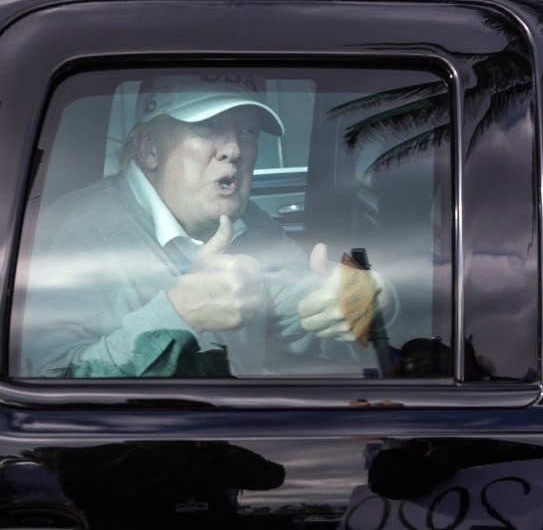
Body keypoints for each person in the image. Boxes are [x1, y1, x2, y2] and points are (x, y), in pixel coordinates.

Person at [22, 74, 392, 377]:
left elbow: (320, 334)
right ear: (149, 147)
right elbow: (49, 382)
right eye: (207, 126)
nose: (233, 149)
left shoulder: (254, 228)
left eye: (247, 131)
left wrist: (371, 306)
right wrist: (182, 313)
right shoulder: (78, 230)